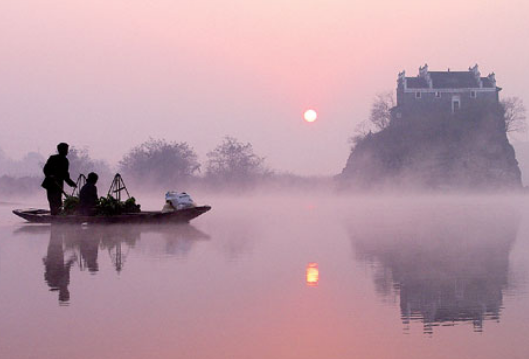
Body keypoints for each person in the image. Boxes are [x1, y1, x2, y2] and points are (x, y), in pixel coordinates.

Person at [41, 143, 77, 215]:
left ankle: (57, 215)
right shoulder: (53, 158)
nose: (67, 152)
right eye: (66, 150)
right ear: (60, 150)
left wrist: (72, 183)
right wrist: (50, 176)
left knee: (58, 201)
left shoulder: (65, 161)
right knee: (52, 201)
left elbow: (65, 175)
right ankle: (54, 215)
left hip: (59, 185)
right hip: (51, 184)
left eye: (67, 150)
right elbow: (45, 169)